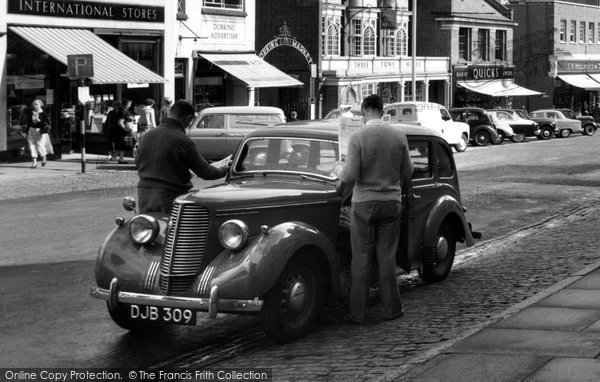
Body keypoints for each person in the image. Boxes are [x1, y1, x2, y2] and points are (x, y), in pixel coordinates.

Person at [337, 94, 414, 324]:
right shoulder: (399, 135)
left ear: (363, 112)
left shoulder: (358, 137)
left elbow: (349, 175)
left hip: (364, 205)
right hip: (391, 202)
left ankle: (358, 313)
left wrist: (339, 172)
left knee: (361, 259)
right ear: (382, 110)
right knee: (386, 258)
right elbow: (408, 170)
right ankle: (392, 309)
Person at [135, 100, 229, 214]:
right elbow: (206, 172)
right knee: (170, 229)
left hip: (144, 193)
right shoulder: (182, 140)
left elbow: (138, 162)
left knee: (148, 227)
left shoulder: (146, 135)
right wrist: (224, 170)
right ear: (188, 118)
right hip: (169, 194)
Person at [23, 99, 51, 168]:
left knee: (39, 145)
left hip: (40, 130)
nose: (35, 106)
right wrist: (26, 132)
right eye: (34, 104)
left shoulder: (43, 113)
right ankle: (34, 163)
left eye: (36, 104)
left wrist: (39, 121)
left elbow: (47, 123)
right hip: (31, 130)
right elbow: (29, 123)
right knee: (31, 146)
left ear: (40, 105)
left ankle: (44, 156)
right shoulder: (31, 113)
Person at [114, 99, 135, 164]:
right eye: (129, 104)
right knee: (122, 144)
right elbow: (120, 122)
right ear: (126, 104)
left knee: (122, 145)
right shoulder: (123, 111)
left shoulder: (126, 111)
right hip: (123, 131)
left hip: (126, 130)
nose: (130, 105)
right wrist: (125, 129)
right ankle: (119, 158)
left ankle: (116, 156)